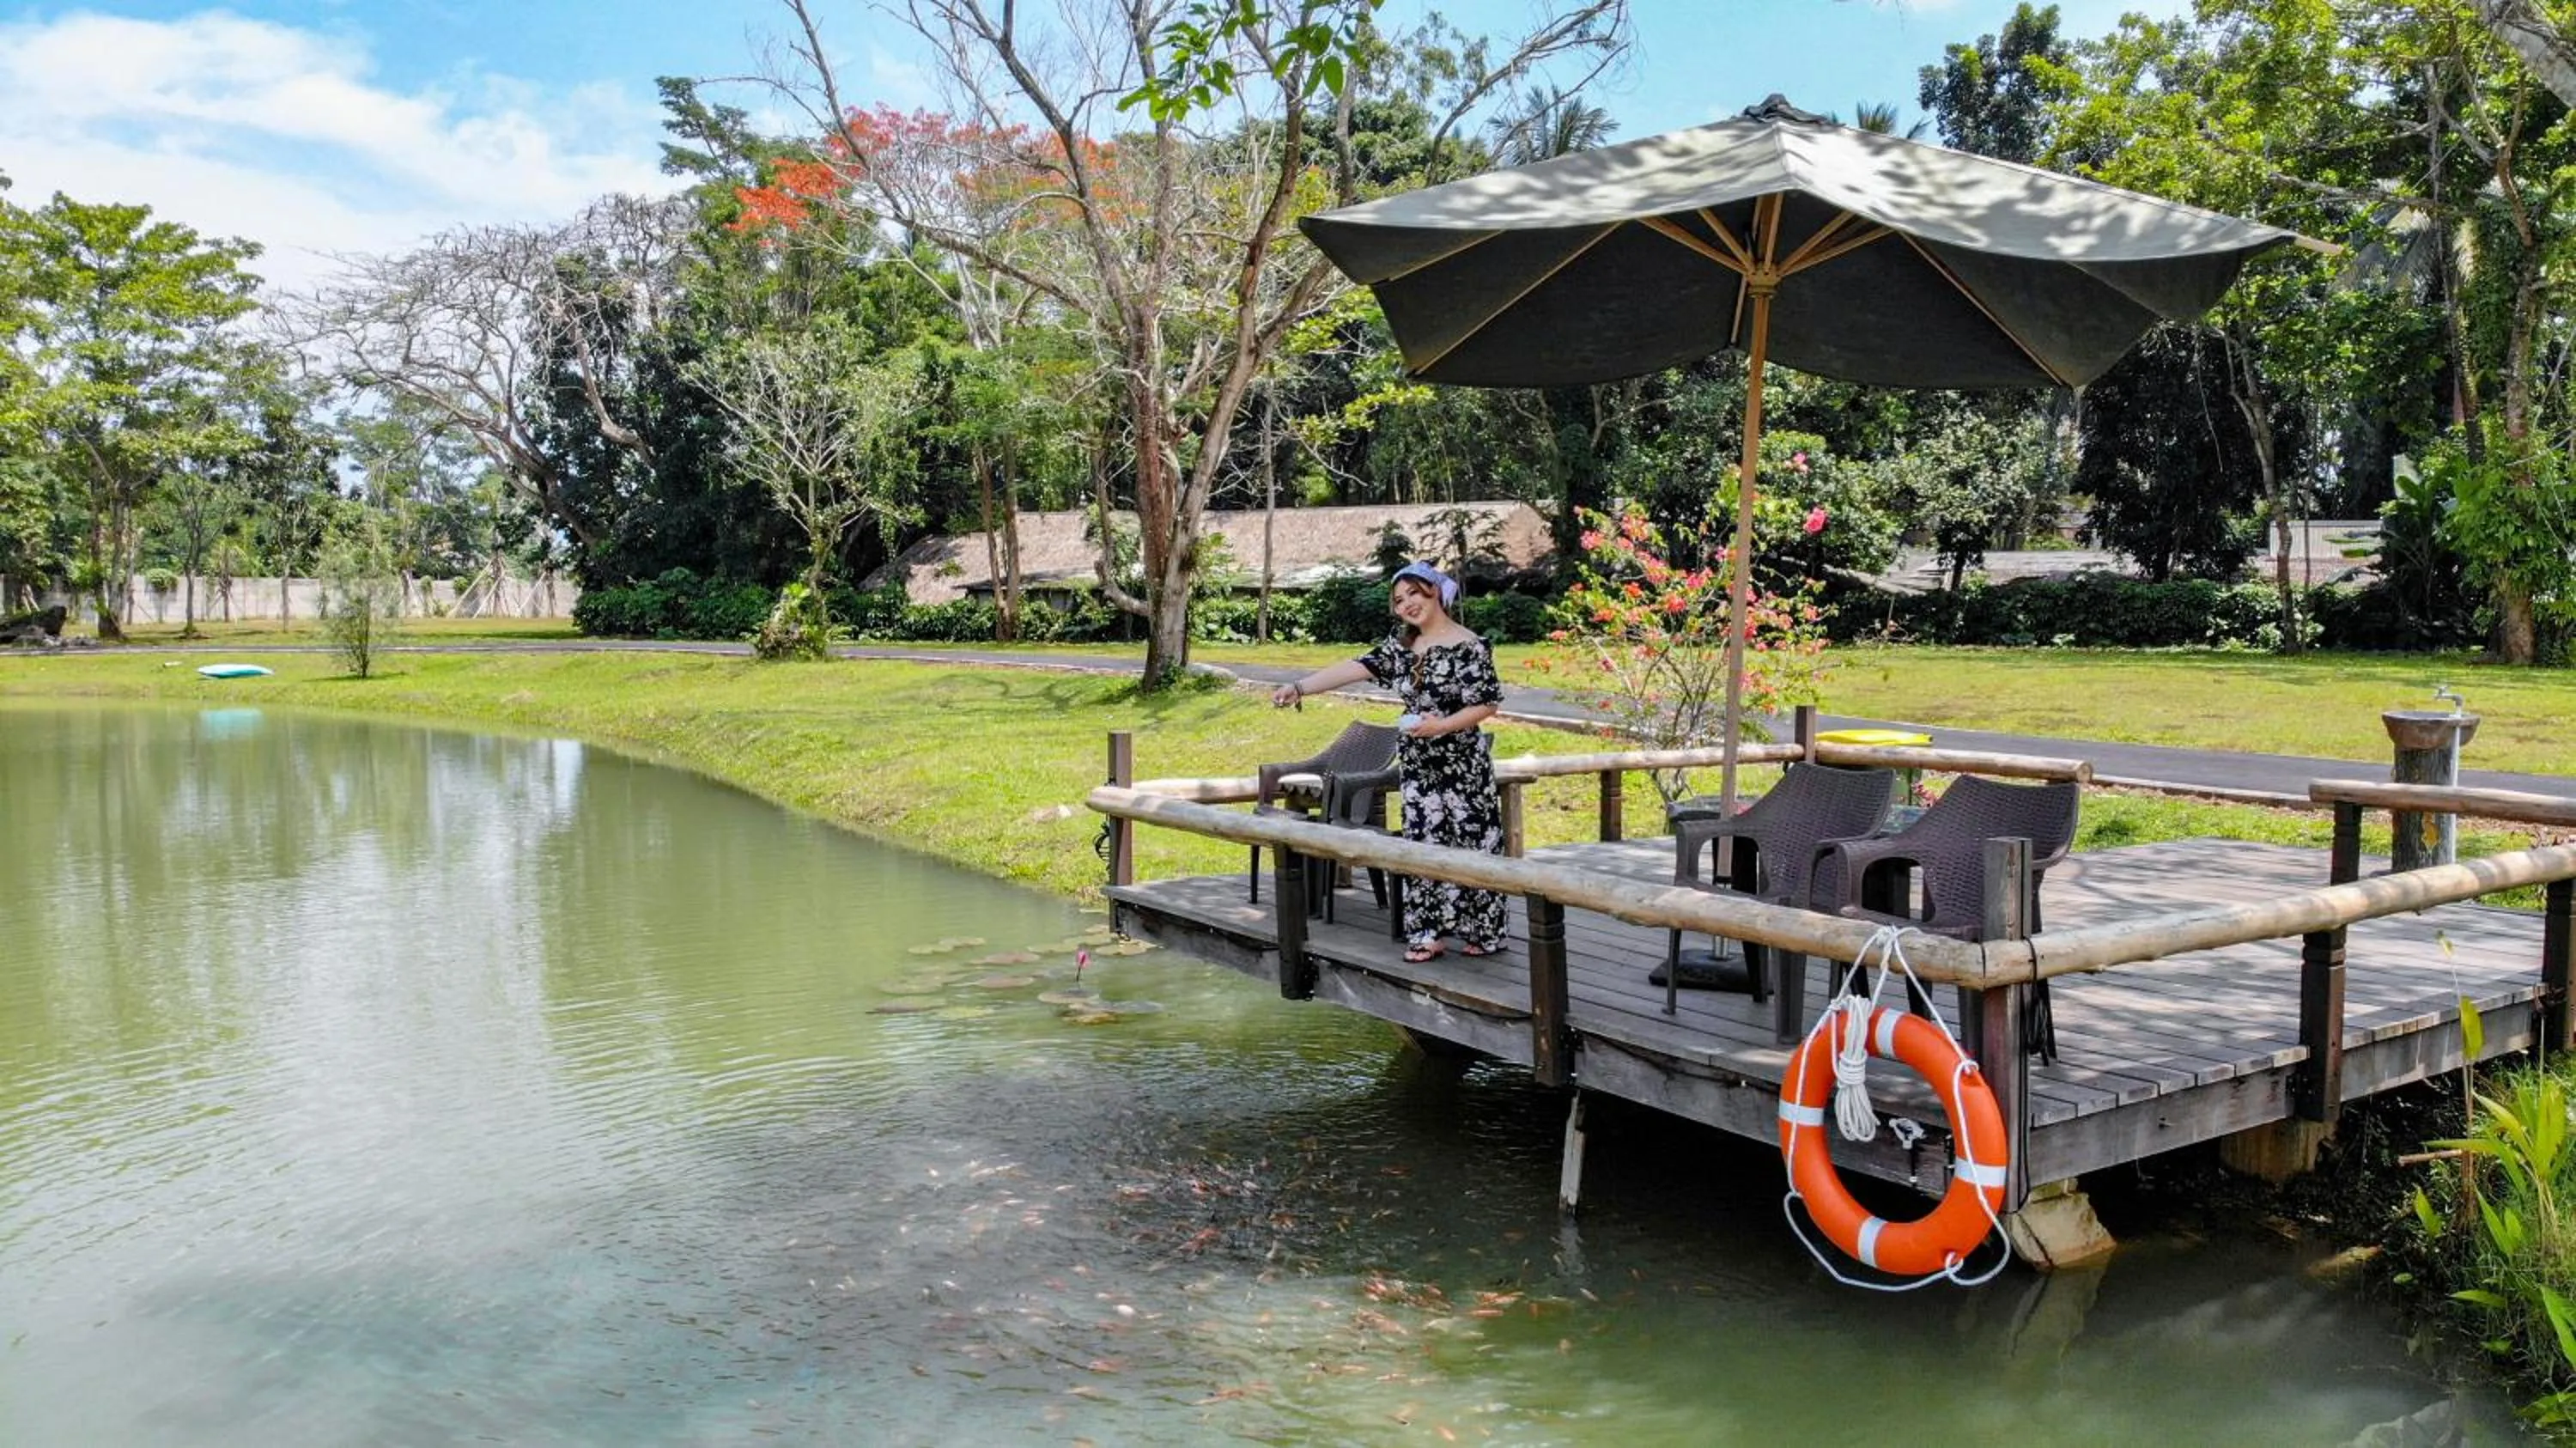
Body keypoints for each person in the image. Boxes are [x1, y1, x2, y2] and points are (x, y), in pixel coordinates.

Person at [1270, 561, 1508, 962]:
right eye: (1399, 600)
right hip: (1419, 765)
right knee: (1421, 843)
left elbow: (1487, 704)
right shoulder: (1401, 648)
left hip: (1464, 766)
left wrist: (1444, 726)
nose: (1407, 605)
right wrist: (1299, 687)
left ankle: (1483, 931)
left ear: (1434, 592)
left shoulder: (1471, 645)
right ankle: (1428, 933)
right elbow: (1355, 666)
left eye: (1414, 593)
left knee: (1472, 843)